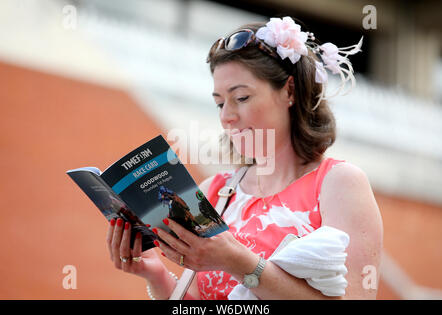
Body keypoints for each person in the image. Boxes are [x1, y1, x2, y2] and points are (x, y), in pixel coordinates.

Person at [106, 16, 383, 300]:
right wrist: (157, 275)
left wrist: (237, 261)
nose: (227, 116)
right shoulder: (213, 192)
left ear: (289, 91)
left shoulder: (338, 184)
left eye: (241, 98)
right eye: (219, 103)